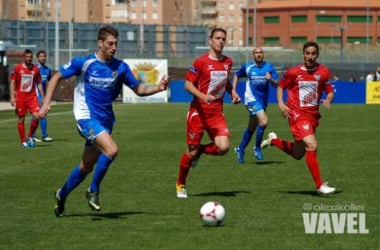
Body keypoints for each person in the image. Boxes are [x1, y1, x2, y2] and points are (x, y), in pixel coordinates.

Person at [39, 25, 169, 217]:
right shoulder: (84, 63)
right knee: (112, 150)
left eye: (116, 43)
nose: (114, 47)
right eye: (110, 43)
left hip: (105, 121)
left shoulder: (121, 67)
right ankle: (93, 190)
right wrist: (46, 103)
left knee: (86, 166)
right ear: (100, 43)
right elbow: (57, 76)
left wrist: (158, 87)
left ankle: (61, 193)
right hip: (86, 117)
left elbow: (139, 90)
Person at [261, 41, 335, 195]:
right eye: (307, 53)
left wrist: (328, 98)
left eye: (313, 53)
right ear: (303, 54)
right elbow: (281, 86)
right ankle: (320, 185)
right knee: (312, 145)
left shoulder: (323, 71)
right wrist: (281, 103)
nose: (310, 56)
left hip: (312, 115)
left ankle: (273, 141)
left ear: (317, 55)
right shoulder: (293, 72)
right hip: (296, 114)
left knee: (297, 153)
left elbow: (329, 90)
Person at [175, 27, 240, 198]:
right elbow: (187, 85)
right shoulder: (200, 62)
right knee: (192, 152)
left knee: (224, 147)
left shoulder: (228, 62)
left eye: (223, 39)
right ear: (210, 41)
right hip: (198, 112)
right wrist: (203, 96)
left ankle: (201, 151)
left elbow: (225, 82)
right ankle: (180, 183)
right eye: (217, 38)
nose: (220, 41)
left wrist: (232, 92)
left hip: (216, 113)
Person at [232, 47, 278, 163]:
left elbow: (276, 84)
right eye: (256, 53)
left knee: (251, 128)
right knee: (264, 121)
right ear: (253, 55)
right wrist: (234, 91)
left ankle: (240, 149)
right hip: (250, 98)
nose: (258, 54)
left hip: (262, 101)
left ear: (263, 54)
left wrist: (271, 79)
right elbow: (236, 75)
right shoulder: (248, 67)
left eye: (260, 53)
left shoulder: (269, 67)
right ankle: (257, 147)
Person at [9, 48, 44, 148]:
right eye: (27, 57)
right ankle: (23, 141)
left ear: (32, 58)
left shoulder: (36, 69)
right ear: (24, 57)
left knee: (37, 116)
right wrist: (12, 96)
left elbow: (39, 84)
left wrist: (44, 97)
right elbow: (13, 82)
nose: (28, 58)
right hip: (21, 97)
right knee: (21, 119)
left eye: (30, 57)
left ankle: (29, 136)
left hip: (32, 97)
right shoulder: (17, 69)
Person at [32, 50, 53, 142]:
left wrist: (47, 97)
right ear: (37, 58)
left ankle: (35, 135)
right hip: (36, 95)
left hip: (43, 95)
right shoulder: (34, 68)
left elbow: (49, 82)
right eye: (40, 56)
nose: (43, 58)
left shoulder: (47, 69)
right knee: (40, 114)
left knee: (42, 114)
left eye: (44, 56)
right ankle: (40, 135)